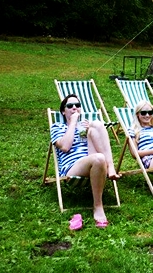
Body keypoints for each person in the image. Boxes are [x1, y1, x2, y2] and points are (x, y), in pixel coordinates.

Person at [50, 94, 121, 228]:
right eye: (70, 106)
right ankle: (98, 206)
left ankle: (110, 167)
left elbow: (95, 143)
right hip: (72, 167)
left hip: (92, 160)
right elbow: (65, 147)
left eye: (77, 105)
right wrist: (72, 123)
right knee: (99, 158)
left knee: (97, 124)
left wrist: (90, 132)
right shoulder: (57, 127)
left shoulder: (85, 126)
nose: (74, 108)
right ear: (63, 111)